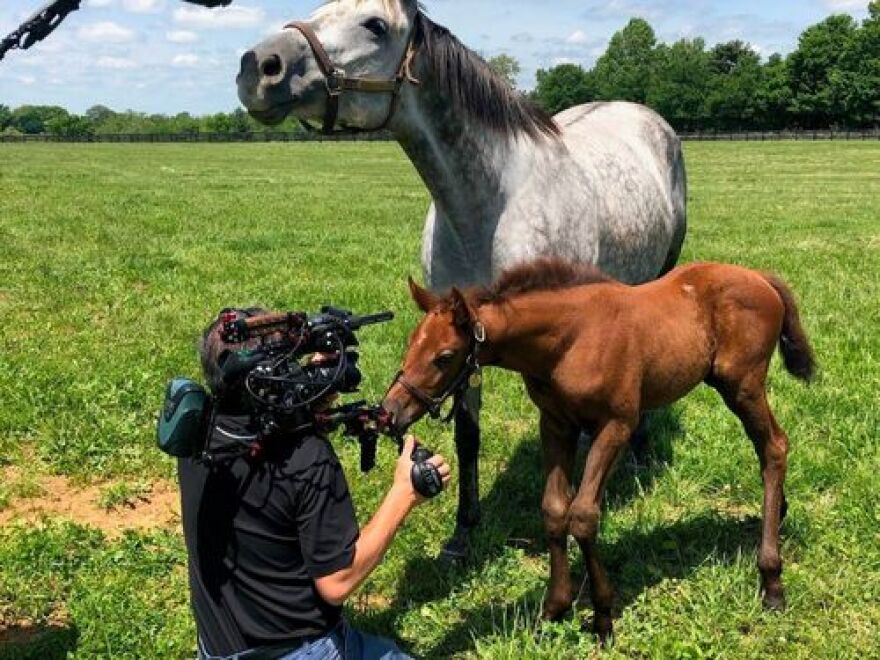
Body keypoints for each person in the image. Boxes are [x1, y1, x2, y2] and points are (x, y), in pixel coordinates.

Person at [178, 308, 451, 659]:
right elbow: (337, 583)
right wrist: (404, 493)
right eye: (288, 362)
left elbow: (263, 454)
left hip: (217, 649)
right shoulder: (307, 457)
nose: (298, 366)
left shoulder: (195, 434)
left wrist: (306, 400)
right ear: (268, 377)